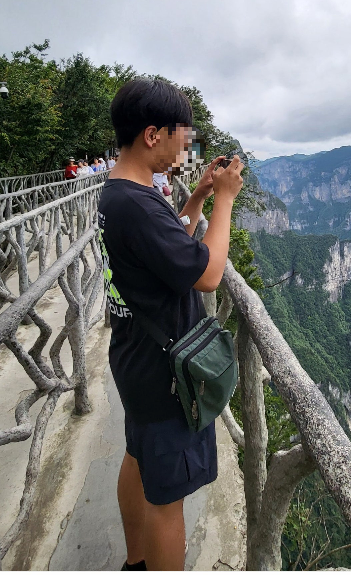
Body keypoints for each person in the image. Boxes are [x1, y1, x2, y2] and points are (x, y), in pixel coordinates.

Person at [100, 77, 243, 571]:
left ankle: (135, 563)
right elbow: (206, 274)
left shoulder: (120, 193)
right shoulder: (136, 203)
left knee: (138, 459)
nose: (187, 148)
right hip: (166, 375)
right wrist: (226, 199)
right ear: (152, 134)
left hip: (136, 356)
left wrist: (200, 196)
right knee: (167, 504)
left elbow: (171, 243)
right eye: (182, 137)